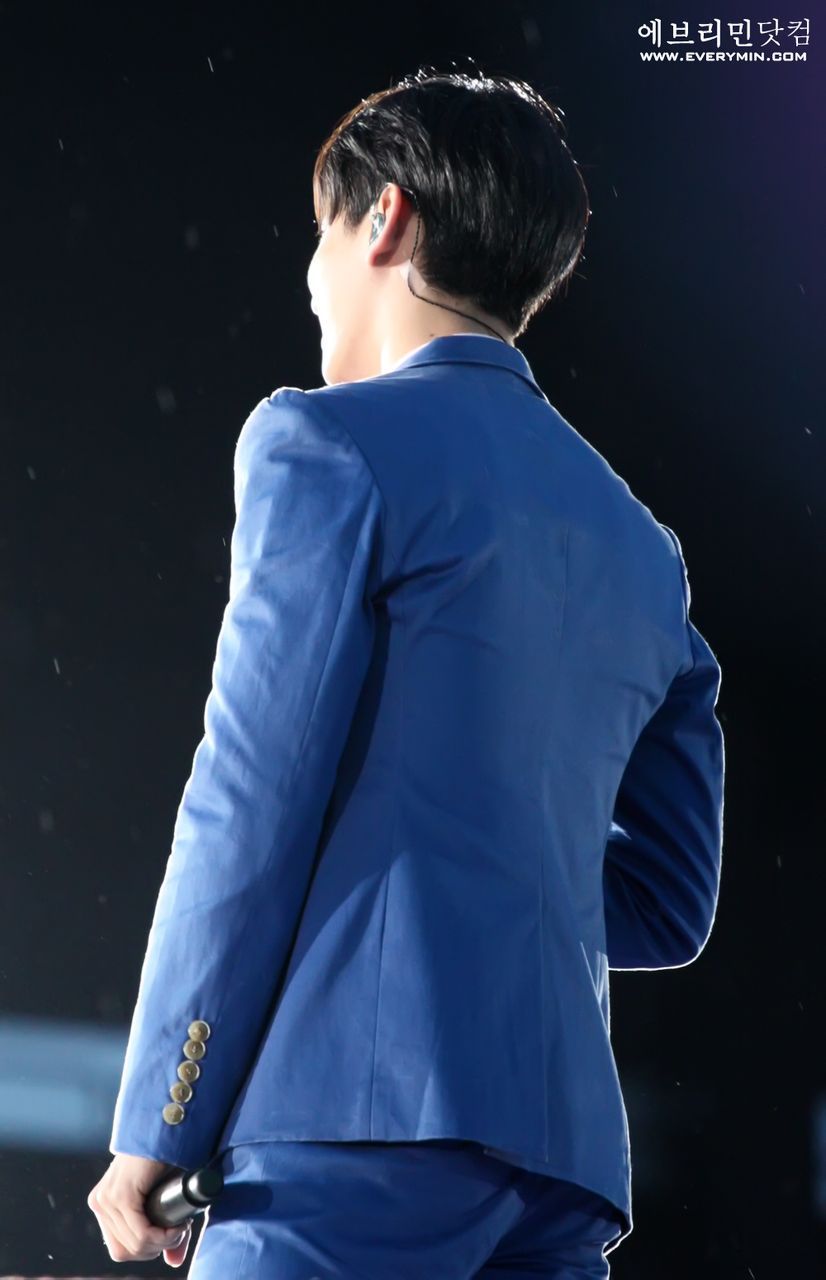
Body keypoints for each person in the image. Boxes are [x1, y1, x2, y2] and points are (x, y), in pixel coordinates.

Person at [88, 66, 725, 1277]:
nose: (312, 278)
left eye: (320, 238)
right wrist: (485, 867)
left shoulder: (326, 443)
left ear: (383, 216)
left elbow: (248, 801)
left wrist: (159, 1122)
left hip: (344, 1130)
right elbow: (669, 897)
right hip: (558, 1170)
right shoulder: (644, 550)